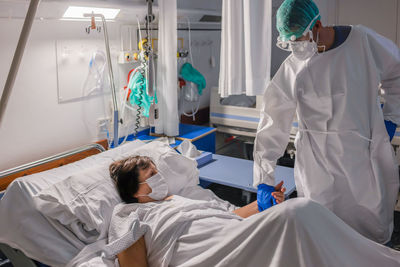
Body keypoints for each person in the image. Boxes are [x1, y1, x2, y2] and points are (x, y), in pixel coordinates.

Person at [254, 0, 400, 244]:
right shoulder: (293, 67)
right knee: (321, 235)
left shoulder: (362, 42)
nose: (295, 48)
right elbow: (273, 121)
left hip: (363, 160)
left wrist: (392, 117)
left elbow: (396, 74)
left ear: (318, 25)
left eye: (299, 40)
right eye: (289, 43)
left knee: (368, 234)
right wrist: (264, 179)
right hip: (317, 165)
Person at [106, 155, 400, 267]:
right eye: (151, 174)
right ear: (134, 191)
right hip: (206, 252)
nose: (160, 177)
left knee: (301, 213)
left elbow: (227, 218)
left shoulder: (179, 200)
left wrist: (264, 204)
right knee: (297, 216)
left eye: (158, 170)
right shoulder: (130, 215)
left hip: (228, 233)